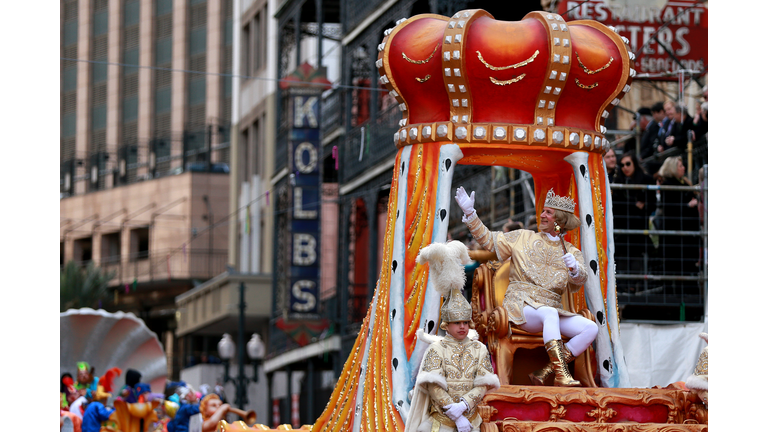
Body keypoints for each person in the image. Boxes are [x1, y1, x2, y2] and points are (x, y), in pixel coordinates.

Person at [455, 187, 598, 387]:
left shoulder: (571, 251)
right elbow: (489, 241)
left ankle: (545, 371)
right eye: (543, 211)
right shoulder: (523, 237)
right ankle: (560, 374)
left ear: (560, 220)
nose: (542, 215)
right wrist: (471, 214)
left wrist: (574, 268)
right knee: (549, 314)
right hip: (521, 307)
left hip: (552, 311)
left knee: (590, 328)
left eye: (548, 212)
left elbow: (579, 280)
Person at [405, 241, 499, 432]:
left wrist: (463, 406)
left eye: (465, 322)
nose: (463, 327)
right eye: (457, 323)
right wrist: (455, 415)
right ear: (447, 325)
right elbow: (433, 386)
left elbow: (483, 383)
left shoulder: (479, 348)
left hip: (471, 421)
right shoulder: (436, 348)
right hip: (441, 423)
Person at [612, 152, 657, 292]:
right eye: (622, 165)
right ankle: (625, 288)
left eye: (628, 164)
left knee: (637, 257)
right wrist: (634, 204)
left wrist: (636, 206)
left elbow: (651, 204)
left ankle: (634, 288)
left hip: (638, 227)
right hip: (623, 228)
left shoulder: (646, 179)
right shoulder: (619, 181)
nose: (625, 167)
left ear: (634, 164)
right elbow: (617, 205)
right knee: (622, 258)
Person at [656, 156, 700, 293]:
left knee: (686, 267)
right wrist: (688, 205)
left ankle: (687, 298)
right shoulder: (669, 185)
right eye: (680, 166)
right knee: (675, 267)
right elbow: (670, 208)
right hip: (675, 235)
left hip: (686, 233)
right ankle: (675, 297)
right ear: (673, 168)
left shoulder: (684, 183)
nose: (684, 168)